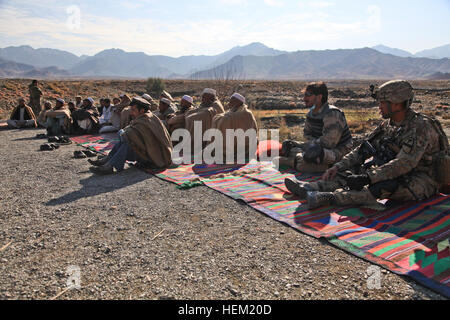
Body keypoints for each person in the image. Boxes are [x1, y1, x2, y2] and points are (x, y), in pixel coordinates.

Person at [285, 80, 450, 209]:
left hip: (423, 177)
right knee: (355, 170)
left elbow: (404, 163)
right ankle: (312, 187)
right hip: (397, 170)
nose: (379, 106)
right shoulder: (388, 125)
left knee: (383, 185)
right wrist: (339, 166)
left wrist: (369, 177)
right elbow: (362, 149)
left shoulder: (421, 127)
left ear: (397, 103)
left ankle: (331, 198)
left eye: (383, 102)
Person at [275, 82, 353, 173]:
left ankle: (292, 162)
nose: (304, 98)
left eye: (308, 95)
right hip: (317, 148)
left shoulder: (332, 114)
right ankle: (303, 159)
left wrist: (308, 146)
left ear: (319, 97)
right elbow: (307, 135)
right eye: (304, 95)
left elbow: (328, 143)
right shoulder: (311, 114)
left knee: (310, 157)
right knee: (289, 146)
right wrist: (300, 145)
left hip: (338, 151)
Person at [88, 97, 173, 175]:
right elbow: (132, 133)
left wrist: (123, 133)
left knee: (127, 144)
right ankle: (107, 162)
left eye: (133, 110)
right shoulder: (144, 117)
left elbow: (132, 135)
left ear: (142, 110)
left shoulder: (146, 120)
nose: (131, 113)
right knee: (124, 142)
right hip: (148, 152)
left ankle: (109, 166)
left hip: (154, 158)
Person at [211, 93, 258, 160]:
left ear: (239, 103)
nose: (229, 103)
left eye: (232, 101)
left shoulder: (247, 113)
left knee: (224, 121)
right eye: (230, 101)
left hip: (246, 147)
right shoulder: (231, 112)